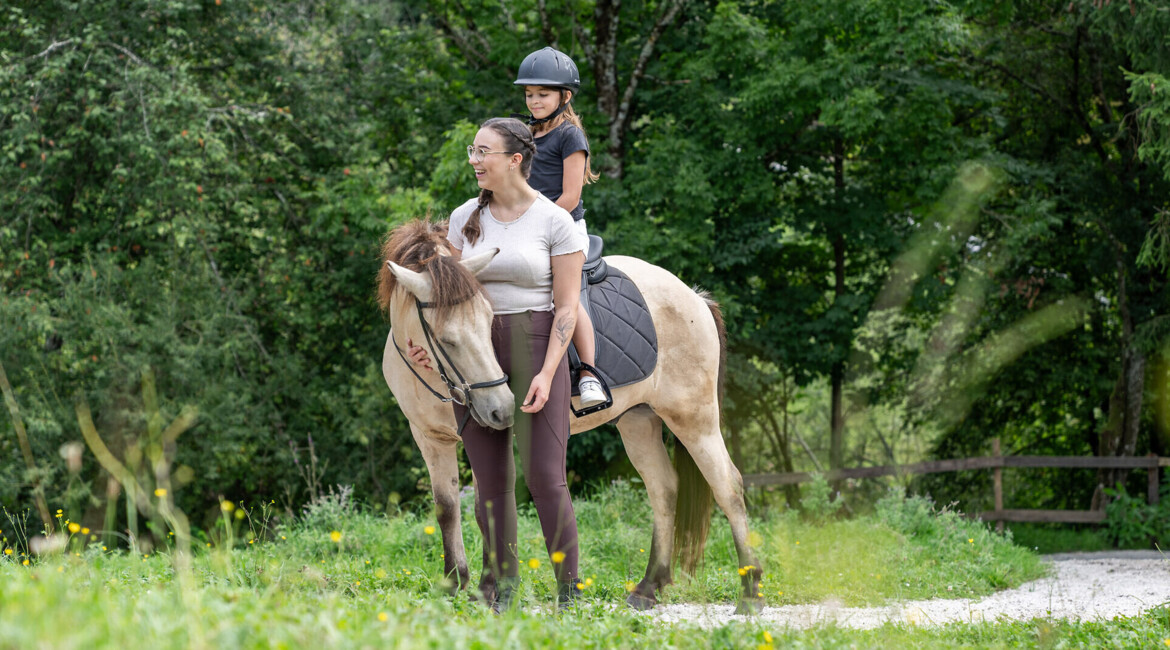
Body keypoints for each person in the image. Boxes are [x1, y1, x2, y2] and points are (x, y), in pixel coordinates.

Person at [407, 117, 584, 610]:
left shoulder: (554, 220)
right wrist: (428, 351)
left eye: (483, 151)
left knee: (546, 478)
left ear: (515, 159)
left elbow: (567, 307)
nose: (474, 160)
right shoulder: (465, 215)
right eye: (472, 150)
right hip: (476, 354)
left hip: (535, 342)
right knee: (491, 482)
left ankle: (569, 591)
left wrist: (549, 373)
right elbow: (445, 296)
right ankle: (501, 588)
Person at [513, 46, 607, 408]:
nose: (534, 101)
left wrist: (532, 222)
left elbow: (569, 196)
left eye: (543, 94)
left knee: (565, 297)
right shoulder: (522, 136)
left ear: (564, 97)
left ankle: (588, 374)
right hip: (526, 226)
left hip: (564, 227)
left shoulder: (571, 137)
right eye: (529, 94)